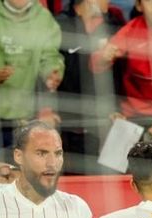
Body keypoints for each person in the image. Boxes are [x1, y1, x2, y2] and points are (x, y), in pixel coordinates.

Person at [0, 0, 64, 175]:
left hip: (23, 121)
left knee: (21, 183)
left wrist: (52, 73)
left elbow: (51, 56)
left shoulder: (44, 19)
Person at [90, 0, 152, 142]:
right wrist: (103, 57)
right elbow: (96, 66)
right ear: (139, 5)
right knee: (116, 156)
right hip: (131, 116)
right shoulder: (129, 31)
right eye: (149, 0)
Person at [55, 0, 125, 174]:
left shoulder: (115, 25)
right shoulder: (60, 25)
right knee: (75, 180)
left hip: (108, 119)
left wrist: (116, 108)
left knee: (114, 177)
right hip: (70, 122)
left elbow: (121, 75)